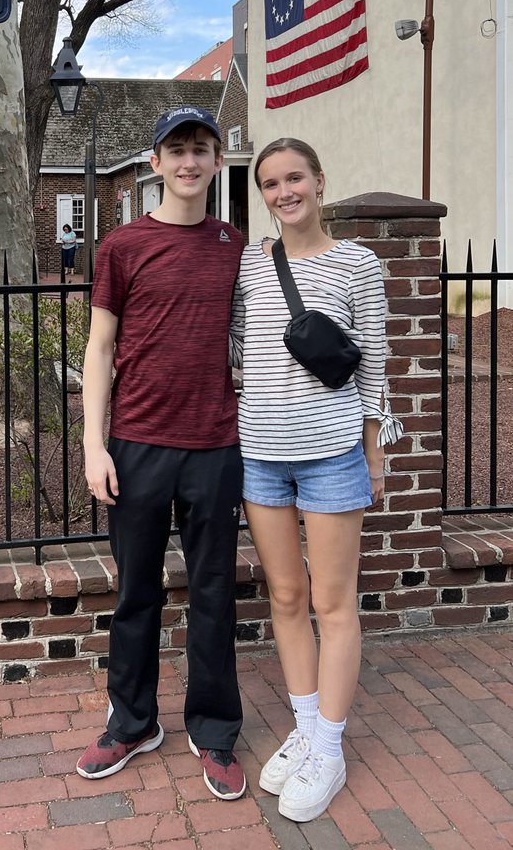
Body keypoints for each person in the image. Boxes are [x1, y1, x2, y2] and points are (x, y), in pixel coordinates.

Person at [76, 105, 246, 801]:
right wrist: (93, 444)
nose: (188, 161)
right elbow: (100, 347)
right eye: (176, 149)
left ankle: (214, 730)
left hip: (215, 443)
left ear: (215, 162)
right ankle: (132, 722)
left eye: (201, 149)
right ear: (155, 163)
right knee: (135, 593)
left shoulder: (236, 245)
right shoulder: (122, 246)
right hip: (138, 443)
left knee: (213, 595)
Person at [233, 138, 398, 823]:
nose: (283, 192)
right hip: (260, 455)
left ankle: (328, 745)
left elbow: (373, 365)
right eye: (270, 183)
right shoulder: (250, 264)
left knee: (334, 605)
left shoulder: (358, 263)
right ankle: (304, 728)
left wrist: (375, 452)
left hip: (332, 455)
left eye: (293, 177)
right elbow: (240, 345)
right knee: (286, 596)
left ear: (319, 182)